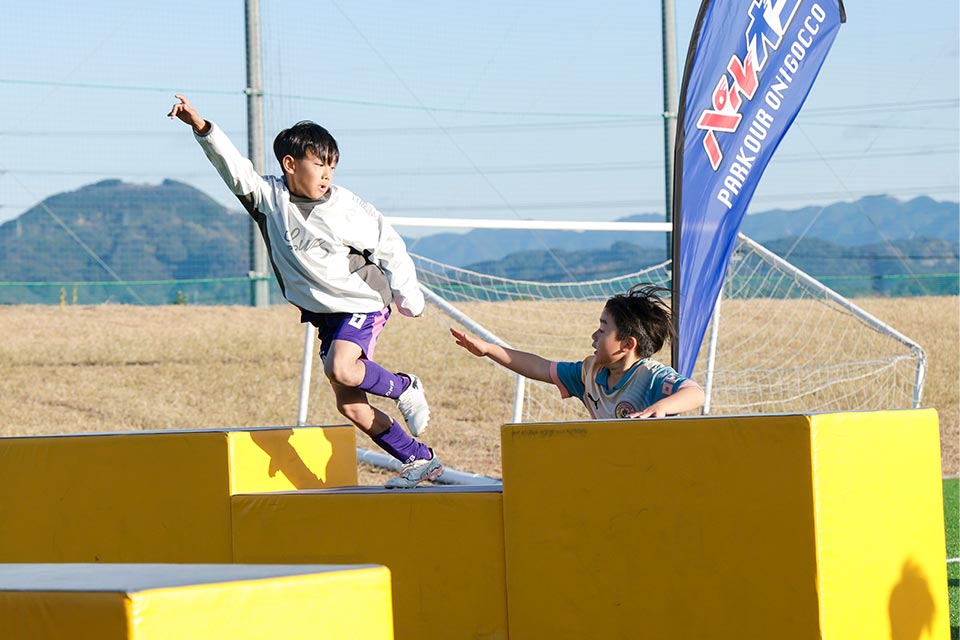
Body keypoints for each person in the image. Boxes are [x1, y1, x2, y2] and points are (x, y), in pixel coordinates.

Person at [168, 95, 441, 488]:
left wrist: (407, 295)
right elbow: (231, 166)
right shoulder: (268, 198)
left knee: (342, 368)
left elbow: (390, 245)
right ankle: (420, 458)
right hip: (326, 316)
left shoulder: (346, 207)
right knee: (350, 405)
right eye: (320, 164)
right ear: (290, 165)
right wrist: (202, 127)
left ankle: (404, 386)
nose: (328, 174)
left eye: (332, 165)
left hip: (363, 302)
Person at [451, 284, 705, 419]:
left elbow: (695, 393)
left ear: (628, 345)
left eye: (603, 329)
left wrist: (660, 407)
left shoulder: (651, 375)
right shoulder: (589, 373)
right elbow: (538, 366)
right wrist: (488, 350)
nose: (594, 336)